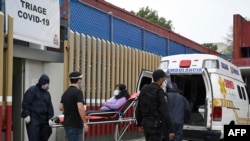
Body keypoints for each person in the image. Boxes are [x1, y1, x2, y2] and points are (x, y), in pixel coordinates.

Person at [135, 69, 175, 141]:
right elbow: (165, 111)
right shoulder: (159, 91)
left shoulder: (144, 89)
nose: (164, 81)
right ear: (160, 79)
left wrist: (139, 123)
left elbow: (138, 108)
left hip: (145, 124)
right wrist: (171, 129)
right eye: (163, 78)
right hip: (155, 125)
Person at [21, 74, 54, 141]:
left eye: (47, 84)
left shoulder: (47, 94)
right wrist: (26, 114)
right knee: (34, 137)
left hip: (44, 120)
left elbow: (50, 106)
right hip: (33, 119)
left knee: (47, 132)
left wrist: (50, 118)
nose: (46, 86)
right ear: (41, 83)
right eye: (45, 84)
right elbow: (26, 102)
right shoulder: (32, 90)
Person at [59, 71, 89, 141]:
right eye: (81, 79)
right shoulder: (78, 92)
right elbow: (80, 108)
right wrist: (85, 122)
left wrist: (70, 108)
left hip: (67, 123)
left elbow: (61, 107)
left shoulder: (65, 92)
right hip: (76, 124)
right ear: (79, 80)